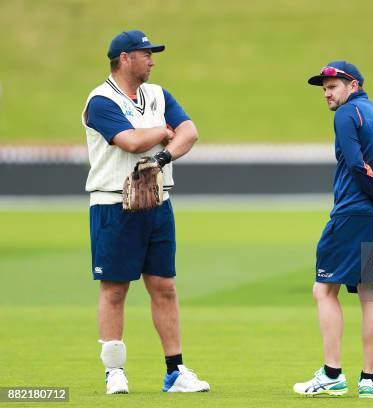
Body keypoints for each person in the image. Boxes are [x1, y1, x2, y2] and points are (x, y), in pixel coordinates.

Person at [82, 30, 209, 394]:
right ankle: (114, 371)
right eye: (145, 54)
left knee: (164, 286)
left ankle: (175, 371)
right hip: (113, 203)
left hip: (156, 200)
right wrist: (161, 131)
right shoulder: (101, 100)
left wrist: (164, 154)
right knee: (115, 289)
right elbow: (130, 140)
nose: (152, 60)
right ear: (124, 58)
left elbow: (190, 131)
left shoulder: (157, 94)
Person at [293, 61, 373, 399]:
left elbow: (357, 165)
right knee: (370, 295)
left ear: (353, 85)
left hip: (353, 214)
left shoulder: (346, 115)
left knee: (323, 289)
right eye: (325, 88)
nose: (327, 93)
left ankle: (332, 374)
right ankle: (368, 380)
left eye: (333, 86)